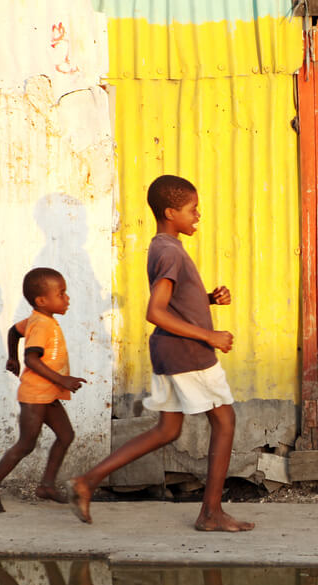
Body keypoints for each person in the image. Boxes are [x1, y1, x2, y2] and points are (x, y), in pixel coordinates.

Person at [69, 175, 253, 532]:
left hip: (168, 350)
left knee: (167, 429)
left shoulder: (163, 246)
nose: (198, 215)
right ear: (170, 212)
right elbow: (156, 311)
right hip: (188, 352)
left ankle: (87, 481)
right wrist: (209, 335)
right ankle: (211, 513)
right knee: (225, 421)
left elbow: (174, 302)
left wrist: (208, 300)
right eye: (192, 210)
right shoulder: (170, 251)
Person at [0, 268, 86, 513]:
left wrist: (12, 359)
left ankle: (46, 486)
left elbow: (14, 331)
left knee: (66, 435)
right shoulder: (42, 325)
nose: (67, 298)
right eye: (62, 293)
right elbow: (32, 359)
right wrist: (62, 380)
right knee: (26, 444)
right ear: (42, 301)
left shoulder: (38, 319)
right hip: (35, 396)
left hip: (48, 395)